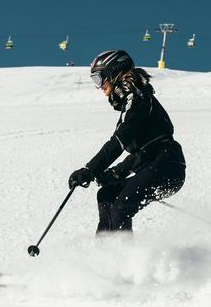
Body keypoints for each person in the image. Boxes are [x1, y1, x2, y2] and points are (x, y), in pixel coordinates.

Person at [68, 50, 186, 233]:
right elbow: (143, 151)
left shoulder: (137, 97)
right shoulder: (133, 100)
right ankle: (106, 252)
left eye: (99, 79)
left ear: (114, 72)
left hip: (166, 167)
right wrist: (115, 173)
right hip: (157, 165)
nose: (99, 87)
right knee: (107, 195)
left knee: (121, 208)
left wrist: (90, 170)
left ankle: (123, 256)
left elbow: (119, 141)